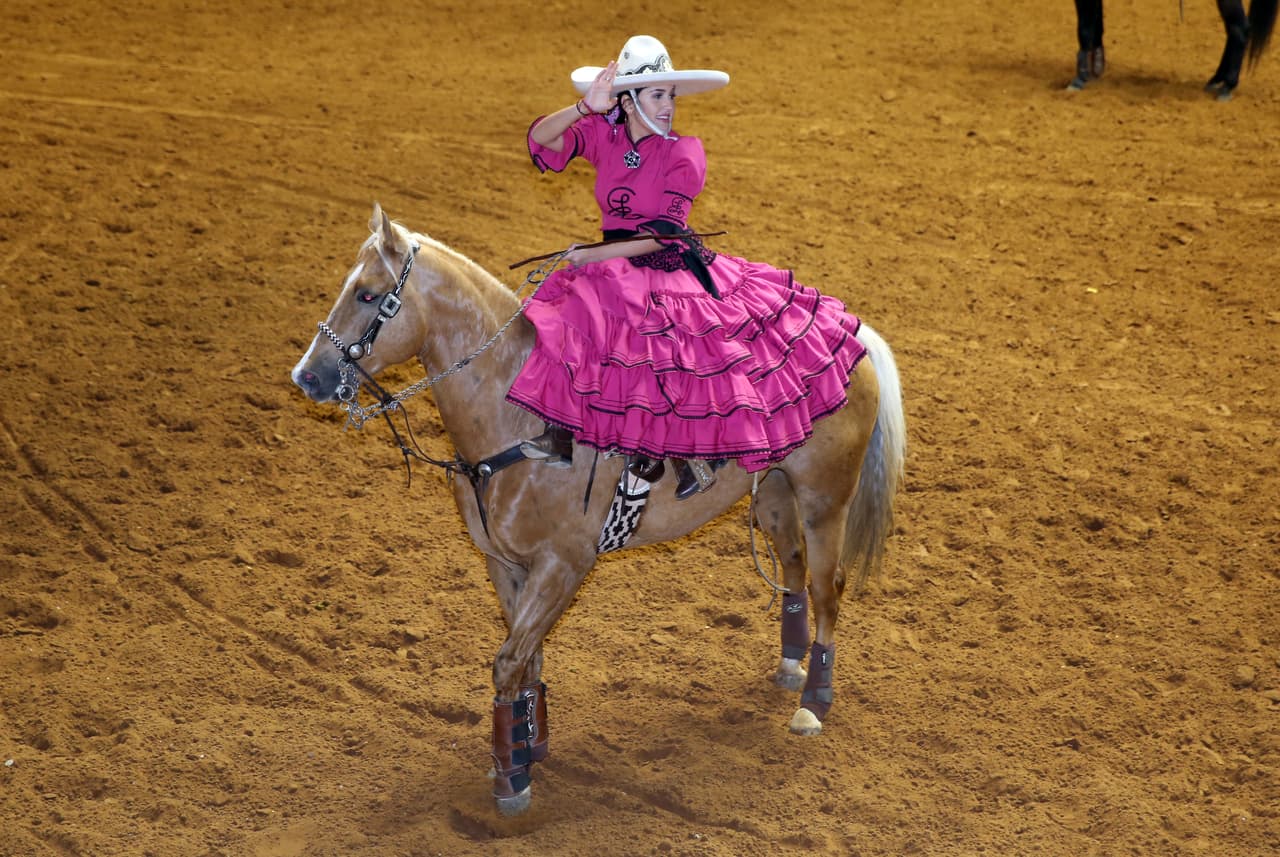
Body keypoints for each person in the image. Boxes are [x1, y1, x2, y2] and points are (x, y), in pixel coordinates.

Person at [508, 35, 867, 500]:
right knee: (567, 320)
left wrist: (593, 255)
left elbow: (663, 233)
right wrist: (583, 108)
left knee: (665, 342)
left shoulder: (684, 151)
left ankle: (690, 456)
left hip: (663, 260)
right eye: (658, 95)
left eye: (671, 96)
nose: (668, 107)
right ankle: (560, 433)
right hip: (614, 261)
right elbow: (541, 138)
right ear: (628, 101)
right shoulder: (603, 135)